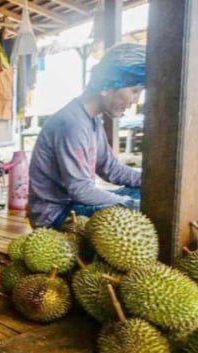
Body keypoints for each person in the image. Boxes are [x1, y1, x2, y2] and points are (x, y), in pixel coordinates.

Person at [28, 43, 146, 228]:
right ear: (107, 86)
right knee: (143, 206)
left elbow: (111, 169)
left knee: (150, 194)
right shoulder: (72, 123)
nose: (136, 100)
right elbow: (80, 190)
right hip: (57, 216)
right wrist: (130, 205)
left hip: (76, 205)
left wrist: (152, 181)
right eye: (134, 91)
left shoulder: (92, 119)